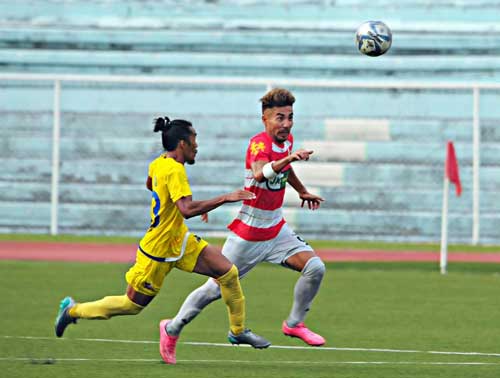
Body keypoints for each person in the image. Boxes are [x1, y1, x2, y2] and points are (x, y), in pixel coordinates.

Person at [54, 116, 270, 365]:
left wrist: (188, 205)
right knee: (131, 305)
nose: (196, 145)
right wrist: (224, 198)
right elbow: (187, 209)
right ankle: (72, 311)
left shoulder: (159, 163)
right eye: (194, 139)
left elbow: (152, 185)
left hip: (179, 239)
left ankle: (238, 331)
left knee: (228, 273)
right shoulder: (174, 169)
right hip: (157, 251)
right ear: (182, 144)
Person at [162, 88, 327, 358]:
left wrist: (301, 190)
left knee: (315, 268)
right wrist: (290, 157)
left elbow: (285, 168)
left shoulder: (286, 142)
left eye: (290, 117)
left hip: (276, 229)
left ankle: (294, 324)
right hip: (248, 236)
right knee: (214, 290)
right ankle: (172, 328)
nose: (286, 124)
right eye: (279, 118)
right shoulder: (259, 144)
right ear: (265, 118)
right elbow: (261, 174)